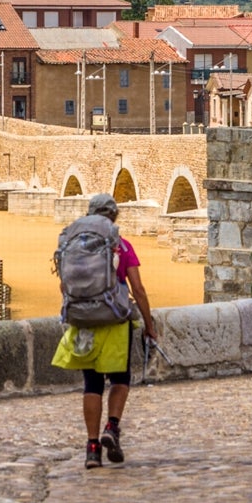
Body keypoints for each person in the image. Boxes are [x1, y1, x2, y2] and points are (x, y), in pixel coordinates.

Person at [65, 194, 158, 469]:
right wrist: (149, 327)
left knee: (92, 384)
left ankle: (92, 449)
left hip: (84, 321)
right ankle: (112, 427)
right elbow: (138, 289)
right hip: (115, 320)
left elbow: (64, 286)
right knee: (120, 380)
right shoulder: (122, 245)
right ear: (114, 217)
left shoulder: (74, 246)